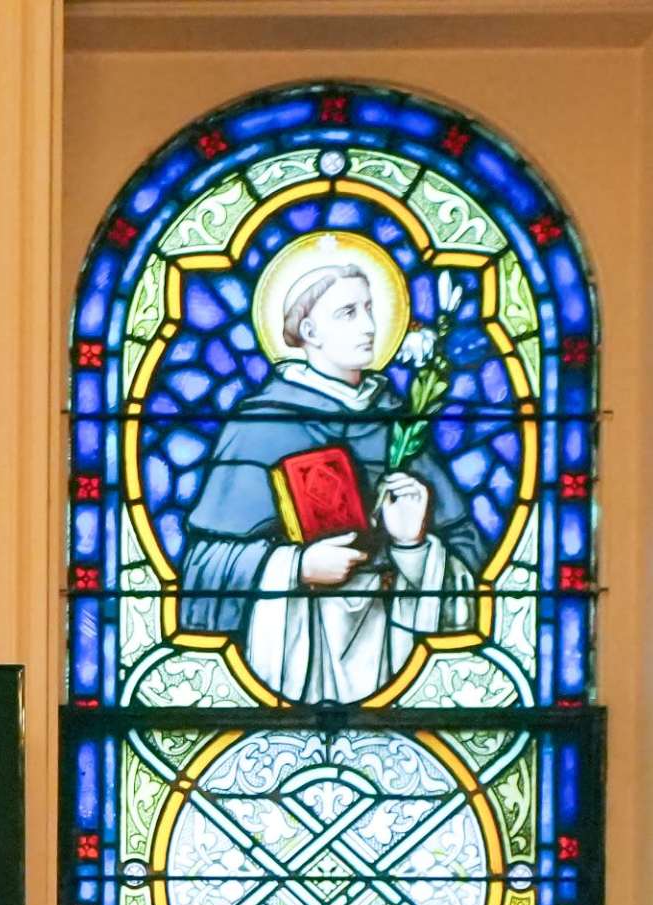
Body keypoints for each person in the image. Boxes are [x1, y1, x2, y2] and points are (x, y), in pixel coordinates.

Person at [176, 243, 482, 704]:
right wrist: (296, 567)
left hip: (398, 666)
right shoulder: (259, 425)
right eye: (347, 313)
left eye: (370, 309)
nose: (369, 326)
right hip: (286, 662)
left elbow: (471, 571)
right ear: (308, 330)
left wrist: (414, 547)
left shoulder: (401, 426)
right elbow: (201, 571)